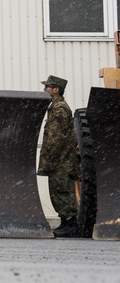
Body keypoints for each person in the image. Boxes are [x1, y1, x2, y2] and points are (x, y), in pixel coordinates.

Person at [37, 74, 81, 237]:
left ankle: (71, 225)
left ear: (56, 90)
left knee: (62, 191)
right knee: (58, 191)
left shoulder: (60, 108)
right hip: (60, 160)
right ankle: (66, 223)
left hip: (61, 161)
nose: (44, 89)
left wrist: (50, 158)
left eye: (47, 87)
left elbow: (56, 137)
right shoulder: (56, 107)